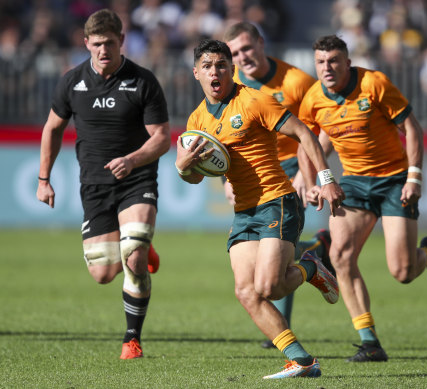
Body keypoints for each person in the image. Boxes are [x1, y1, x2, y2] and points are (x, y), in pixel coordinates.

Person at [175, 39, 345, 379]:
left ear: (231, 69)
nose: (215, 72)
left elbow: (305, 135)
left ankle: (311, 268)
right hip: (244, 212)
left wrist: (325, 179)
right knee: (246, 292)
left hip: (277, 202)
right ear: (196, 73)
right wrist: (184, 167)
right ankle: (302, 361)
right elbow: (195, 179)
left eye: (221, 65)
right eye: (207, 66)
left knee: (268, 287)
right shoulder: (197, 120)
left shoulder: (254, 100)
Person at [298, 35, 427, 362]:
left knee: (403, 272)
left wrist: (414, 177)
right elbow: (307, 143)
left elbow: (412, 128)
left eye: (334, 60)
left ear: (348, 62)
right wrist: (312, 182)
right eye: (321, 62)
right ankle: (369, 341)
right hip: (353, 183)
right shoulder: (313, 99)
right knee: (340, 257)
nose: (328, 67)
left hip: (395, 181)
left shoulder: (374, 84)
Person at [36, 9, 171, 359]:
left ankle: (131, 339)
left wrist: (132, 160)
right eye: (96, 44)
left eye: (109, 43)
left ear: (121, 41)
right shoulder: (72, 81)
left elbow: (161, 138)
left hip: (137, 178)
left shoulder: (143, 81)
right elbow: (52, 128)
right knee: (103, 273)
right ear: (86, 44)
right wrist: (43, 180)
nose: (102, 50)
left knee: (134, 253)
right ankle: (138, 244)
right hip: (95, 186)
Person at [223, 21, 333, 349]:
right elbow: (224, 138)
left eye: (247, 48)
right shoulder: (230, 86)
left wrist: (307, 171)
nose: (243, 57)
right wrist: (226, 177)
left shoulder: (296, 81)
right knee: (267, 255)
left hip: (290, 168)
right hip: (252, 174)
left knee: (275, 254)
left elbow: (324, 125)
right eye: (235, 53)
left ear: (260, 41)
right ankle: (316, 251)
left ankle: (280, 333)